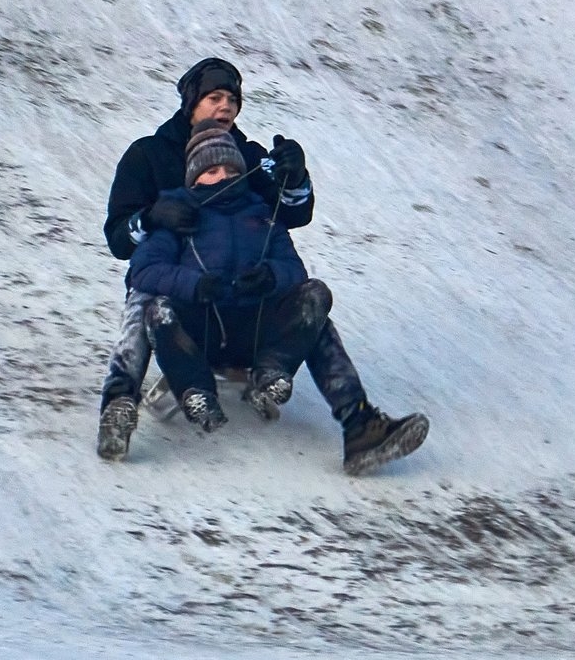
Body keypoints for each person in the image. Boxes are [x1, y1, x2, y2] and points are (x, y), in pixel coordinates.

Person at [98, 57, 428, 474]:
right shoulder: (148, 156)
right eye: (214, 97)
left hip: (243, 301)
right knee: (147, 296)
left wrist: (295, 179)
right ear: (191, 102)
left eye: (233, 100)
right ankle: (118, 402)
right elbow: (119, 241)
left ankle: (359, 425)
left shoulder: (249, 157)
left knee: (312, 309)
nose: (225, 107)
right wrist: (151, 218)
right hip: (180, 297)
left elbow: (289, 216)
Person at [130, 119, 332, 433]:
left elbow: (295, 270)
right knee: (158, 310)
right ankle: (196, 392)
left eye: (231, 170)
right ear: (195, 178)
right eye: (212, 171)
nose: (223, 176)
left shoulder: (262, 213)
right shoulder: (178, 214)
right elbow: (144, 270)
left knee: (315, 293)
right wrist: (194, 285)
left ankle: (272, 371)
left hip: (253, 330)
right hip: (200, 331)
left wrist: (271, 276)